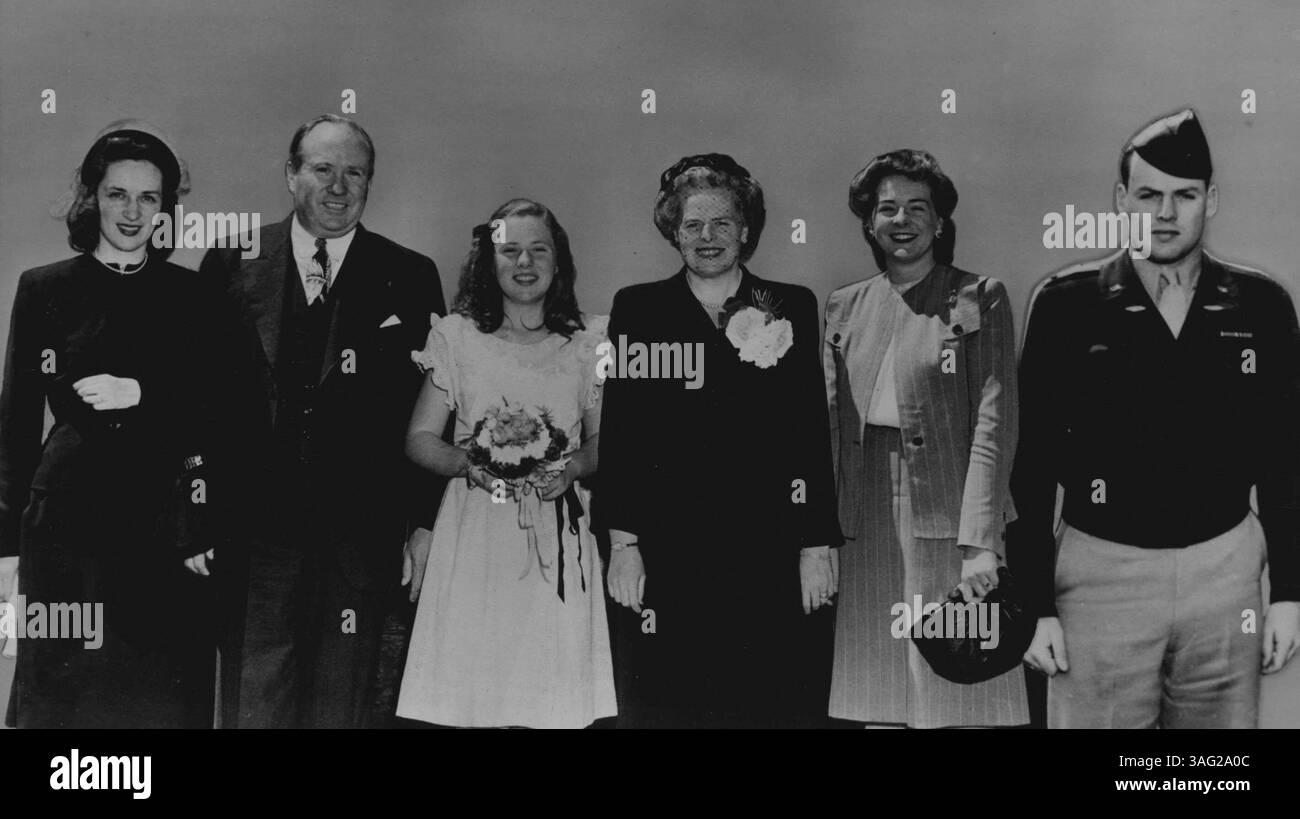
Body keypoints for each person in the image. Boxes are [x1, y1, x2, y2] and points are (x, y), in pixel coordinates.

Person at [1011, 108, 1300, 728]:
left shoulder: (1263, 305)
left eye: (1184, 196)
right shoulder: (1066, 305)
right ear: (1121, 199)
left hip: (1225, 571)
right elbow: (1030, 469)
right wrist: (1035, 606)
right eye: (1148, 195)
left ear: (1211, 199)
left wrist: (1291, 595)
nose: (1165, 214)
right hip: (1100, 573)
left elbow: (1285, 461)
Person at [198, 114, 445, 728]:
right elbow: (197, 402)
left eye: (354, 173)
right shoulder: (232, 260)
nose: (339, 186)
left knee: (345, 708)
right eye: (323, 169)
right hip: (254, 536)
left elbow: (435, 408)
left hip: (359, 539)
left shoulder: (410, 274)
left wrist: (421, 522)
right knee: (255, 705)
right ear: (290, 175)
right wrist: (197, 515)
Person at [598, 153, 841, 728]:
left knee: (769, 702)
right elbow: (624, 433)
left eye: (722, 223)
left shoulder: (791, 307)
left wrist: (814, 546)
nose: (708, 238)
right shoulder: (638, 308)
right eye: (692, 225)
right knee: (665, 702)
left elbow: (807, 432)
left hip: (768, 552)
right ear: (674, 232)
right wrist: (624, 545)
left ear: (747, 229)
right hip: (667, 550)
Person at [0, 121, 216, 728]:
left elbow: (215, 410)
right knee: (66, 695)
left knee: (155, 695)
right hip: (66, 521)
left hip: (159, 524)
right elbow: (16, 420)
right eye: (117, 193)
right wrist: (4, 549)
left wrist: (143, 392)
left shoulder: (191, 296)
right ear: (91, 197)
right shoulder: (44, 287)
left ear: (166, 208)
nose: (131, 211)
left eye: (149, 197)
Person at [824, 149, 1028, 728]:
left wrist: (981, 542)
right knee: (878, 691)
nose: (903, 220)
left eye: (919, 207)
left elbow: (994, 426)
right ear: (869, 223)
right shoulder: (844, 306)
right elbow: (833, 432)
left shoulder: (978, 296)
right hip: (865, 526)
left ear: (940, 222)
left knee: (956, 694)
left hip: (952, 517)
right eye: (887, 208)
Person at [397, 198, 616, 728]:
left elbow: (603, 441)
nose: (524, 262)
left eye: (538, 250)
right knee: (477, 695)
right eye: (509, 250)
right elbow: (420, 438)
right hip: (476, 528)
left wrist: (570, 470)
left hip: (557, 529)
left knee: (549, 696)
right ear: (488, 262)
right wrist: (468, 462)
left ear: (557, 261)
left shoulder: (590, 341)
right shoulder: (456, 336)